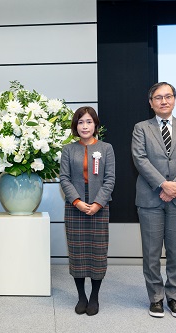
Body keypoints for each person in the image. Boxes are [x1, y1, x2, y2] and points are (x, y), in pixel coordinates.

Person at [132, 82, 176, 318]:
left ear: (175, 99)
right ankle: (156, 298)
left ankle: (174, 298)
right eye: (158, 97)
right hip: (151, 197)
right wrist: (163, 184)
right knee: (151, 252)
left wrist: (175, 187)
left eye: (168, 96)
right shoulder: (141, 128)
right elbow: (140, 159)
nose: (164, 101)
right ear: (150, 102)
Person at [59, 106, 115, 316]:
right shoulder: (68, 149)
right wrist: (77, 201)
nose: (85, 126)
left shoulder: (106, 148)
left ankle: (94, 296)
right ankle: (81, 296)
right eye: (81, 122)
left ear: (95, 125)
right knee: (78, 253)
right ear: (76, 125)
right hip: (75, 208)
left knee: (97, 253)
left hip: (99, 208)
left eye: (89, 122)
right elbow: (64, 178)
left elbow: (110, 179)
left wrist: (98, 203)